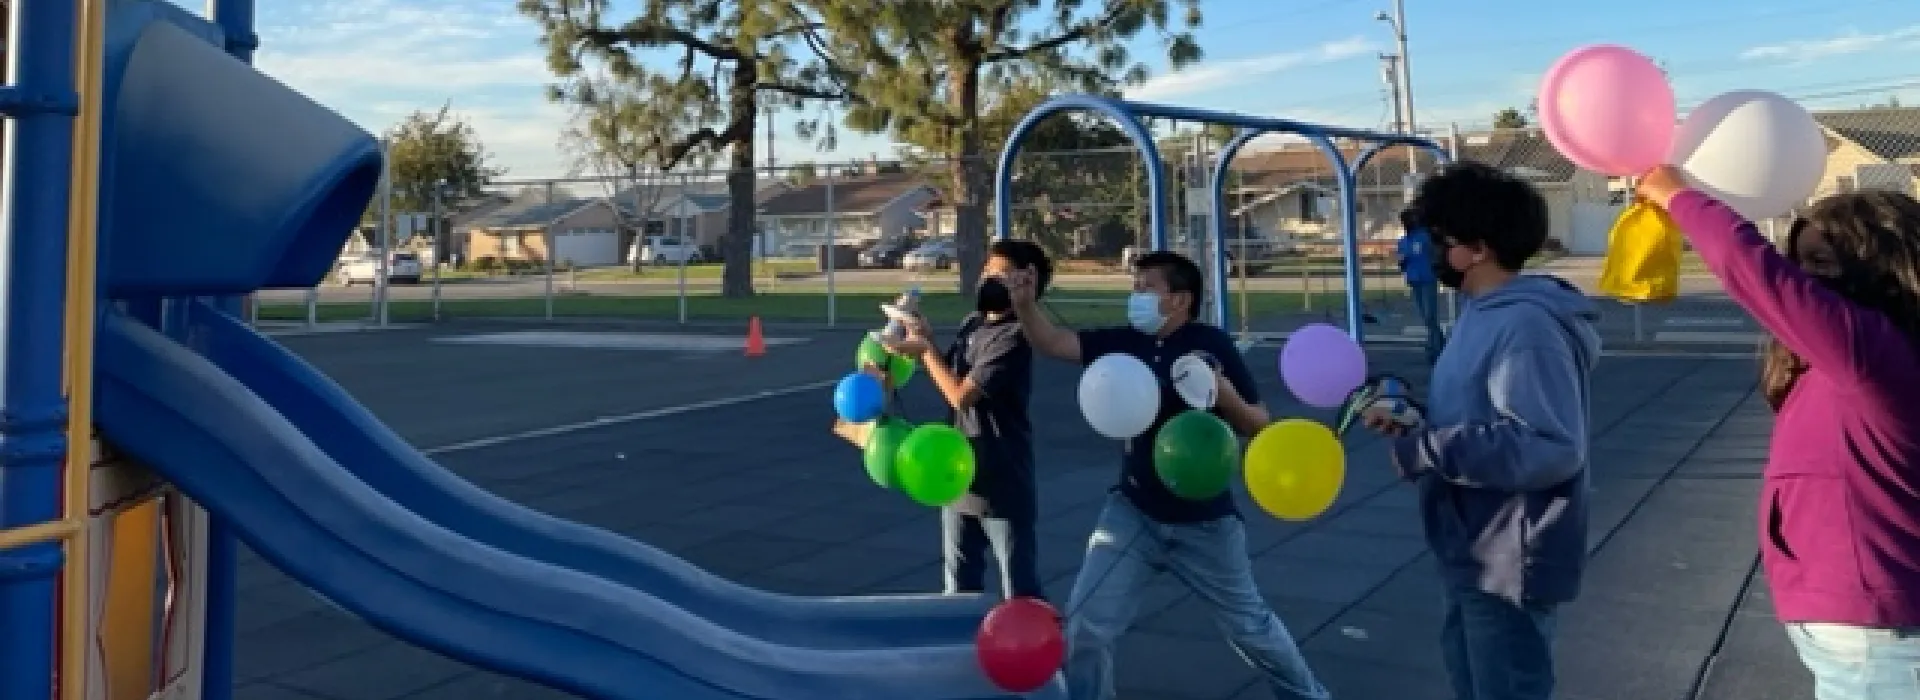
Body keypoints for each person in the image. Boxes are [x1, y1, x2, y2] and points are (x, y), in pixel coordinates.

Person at [1633, 166, 1920, 699]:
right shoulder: (1843, 365)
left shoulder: (1874, 354)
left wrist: (1679, 197)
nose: (1804, 279)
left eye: (1822, 264)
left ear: (1880, 269)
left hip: (1882, 636)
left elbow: (1755, 273)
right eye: (1799, 262)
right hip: (1856, 628)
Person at [1004, 250, 1327, 700]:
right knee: (1086, 626)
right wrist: (1024, 304)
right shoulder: (1126, 342)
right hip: (1132, 512)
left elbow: (1259, 424)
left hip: (1205, 523)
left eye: (1145, 288)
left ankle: (1310, 696)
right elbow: (1055, 342)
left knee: (1251, 630)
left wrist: (1224, 395)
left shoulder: (1210, 343)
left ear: (1179, 299)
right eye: (1133, 287)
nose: (1134, 296)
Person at [1360, 161, 1601, 700]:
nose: (1426, 251)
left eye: (1438, 239)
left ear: (1479, 247)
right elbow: (1482, 419)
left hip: (1509, 558)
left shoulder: (1525, 326)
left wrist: (1426, 448)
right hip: (1472, 546)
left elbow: (1550, 446)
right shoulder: (1480, 312)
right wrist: (1415, 418)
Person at [884, 240, 1051, 600]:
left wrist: (925, 350)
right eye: (987, 270)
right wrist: (923, 337)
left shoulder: (1015, 336)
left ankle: (1039, 654)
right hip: (959, 473)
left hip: (1002, 478)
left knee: (1019, 589)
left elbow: (961, 395)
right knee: (959, 586)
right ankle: (958, 650)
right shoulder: (973, 323)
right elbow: (951, 371)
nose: (988, 278)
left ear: (1026, 282)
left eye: (1000, 273)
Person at [1397, 209, 1447, 363]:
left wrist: (1437, 268)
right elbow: (1402, 263)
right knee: (1426, 317)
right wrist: (1402, 261)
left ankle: (1436, 348)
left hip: (1427, 279)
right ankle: (1438, 344)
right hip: (1414, 280)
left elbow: (1436, 253)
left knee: (1430, 315)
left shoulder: (1425, 237)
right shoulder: (1404, 241)